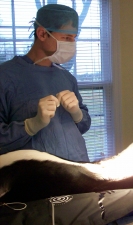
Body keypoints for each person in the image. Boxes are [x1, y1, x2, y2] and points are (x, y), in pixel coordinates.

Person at [0, 4, 91, 161]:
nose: (72, 44)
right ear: (42, 34)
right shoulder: (5, 76)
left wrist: (77, 114)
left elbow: (83, 125)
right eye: (66, 38)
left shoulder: (66, 77)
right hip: (36, 178)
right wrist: (31, 125)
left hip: (79, 171)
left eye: (74, 38)